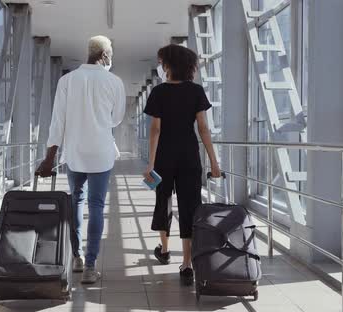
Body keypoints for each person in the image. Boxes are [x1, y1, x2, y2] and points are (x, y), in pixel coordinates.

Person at [36, 35, 126, 284]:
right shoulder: (114, 82)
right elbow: (116, 118)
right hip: (101, 152)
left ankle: (75, 256)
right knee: (96, 206)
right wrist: (99, 119)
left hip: (74, 152)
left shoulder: (67, 80)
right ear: (106, 55)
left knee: (76, 201)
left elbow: (58, 122)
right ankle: (90, 266)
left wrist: (49, 158)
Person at [143, 44, 221, 286]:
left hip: (165, 156)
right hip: (189, 156)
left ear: (168, 65)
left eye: (163, 62)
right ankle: (187, 264)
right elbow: (203, 128)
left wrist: (151, 164)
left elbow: (155, 130)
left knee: (163, 201)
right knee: (189, 207)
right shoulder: (196, 91)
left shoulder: (158, 93)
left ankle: (164, 250)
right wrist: (214, 162)